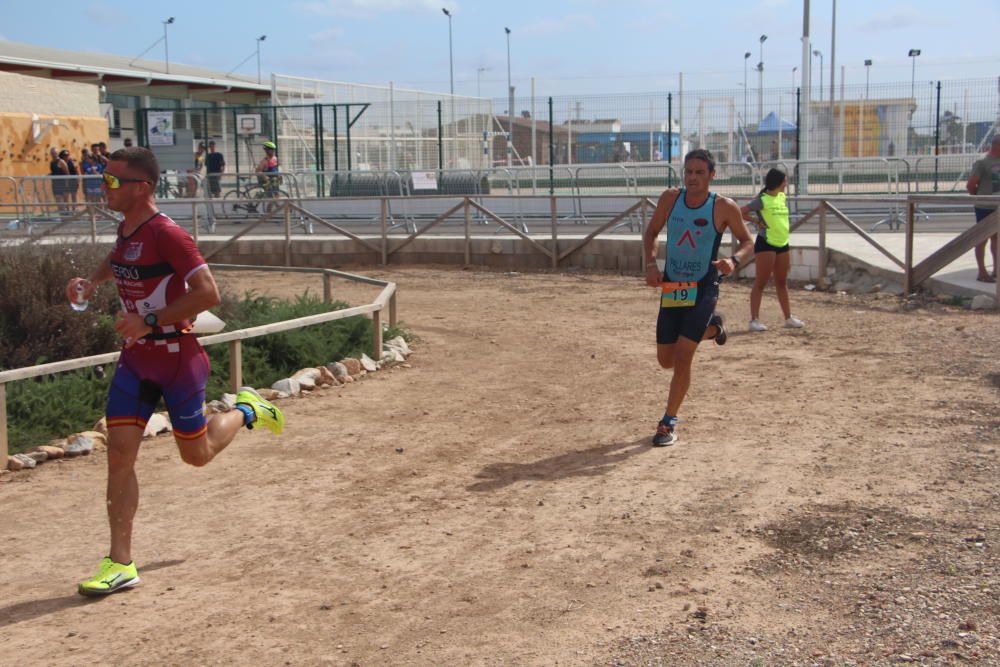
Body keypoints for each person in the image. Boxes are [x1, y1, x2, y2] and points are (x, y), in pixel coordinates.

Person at [65, 147, 286, 597]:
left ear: (141, 187)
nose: (101, 187)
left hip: (177, 361)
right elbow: (120, 260)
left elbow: (208, 293)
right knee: (119, 457)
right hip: (135, 362)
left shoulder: (168, 234)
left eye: (110, 181)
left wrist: (148, 320)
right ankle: (120, 562)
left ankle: (247, 410)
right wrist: (92, 281)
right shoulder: (127, 229)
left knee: (197, 455)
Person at [642, 149, 753, 447]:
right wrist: (651, 264)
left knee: (682, 356)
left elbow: (747, 242)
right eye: (688, 171)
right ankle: (714, 329)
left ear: (712, 176)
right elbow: (651, 232)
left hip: (704, 287)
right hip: (673, 286)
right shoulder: (670, 199)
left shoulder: (723, 207)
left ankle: (668, 422)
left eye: (699, 172)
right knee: (665, 360)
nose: (692, 177)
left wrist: (734, 261)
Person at [740, 168, 805, 331]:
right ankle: (754, 320)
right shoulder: (762, 199)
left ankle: (788, 318)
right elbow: (740, 212)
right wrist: (755, 221)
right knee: (761, 282)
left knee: (782, 282)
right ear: (777, 182)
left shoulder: (782, 197)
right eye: (784, 181)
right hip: (766, 243)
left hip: (783, 243)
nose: (786, 184)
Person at [966, 135, 1000, 283]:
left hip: (998, 207)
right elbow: (971, 185)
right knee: (982, 239)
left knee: (997, 239)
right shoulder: (982, 162)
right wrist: (979, 197)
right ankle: (982, 271)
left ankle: (996, 270)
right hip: (984, 207)